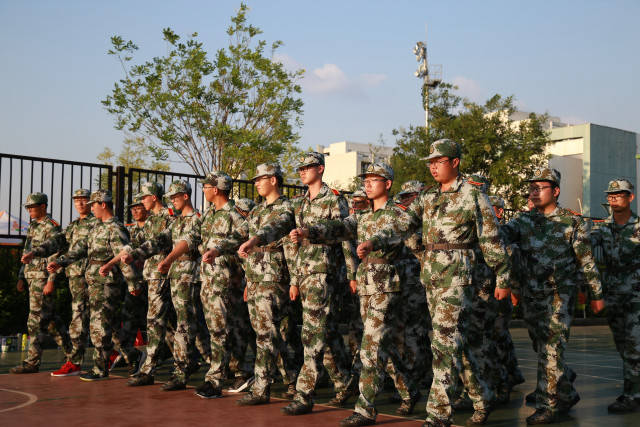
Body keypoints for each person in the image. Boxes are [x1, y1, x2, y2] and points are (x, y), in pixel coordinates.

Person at [357, 139, 512, 427]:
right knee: (455, 344)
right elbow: (402, 224)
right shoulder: (427, 197)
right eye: (430, 162)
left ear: (454, 162)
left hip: (458, 280)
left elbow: (491, 239)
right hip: (432, 279)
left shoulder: (472, 196)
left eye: (438, 161)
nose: (432, 167)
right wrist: (375, 240)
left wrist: (502, 275)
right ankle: (482, 396)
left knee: (443, 344)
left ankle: (438, 414)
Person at [288, 162, 418, 426]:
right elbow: (338, 227)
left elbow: (392, 233)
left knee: (370, 347)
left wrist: (373, 243)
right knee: (382, 345)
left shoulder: (398, 213)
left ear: (388, 184)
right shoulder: (362, 215)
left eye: (374, 179)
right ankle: (409, 390)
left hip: (387, 286)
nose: (367, 184)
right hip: (367, 284)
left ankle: (365, 409)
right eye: (365, 180)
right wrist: (309, 231)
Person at [237, 152, 357, 415]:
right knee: (324, 333)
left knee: (311, 334)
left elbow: (346, 233)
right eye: (300, 168)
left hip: (325, 274)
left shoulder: (335, 199)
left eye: (308, 167)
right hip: (304, 274)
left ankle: (304, 394)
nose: (303, 171)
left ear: (321, 169)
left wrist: (352, 274)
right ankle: (344, 380)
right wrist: (256, 240)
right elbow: (279, 225)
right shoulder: (299, 204)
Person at [502, 167, 605, 424]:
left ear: (555, 191)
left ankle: (549, 405)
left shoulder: (572, 222)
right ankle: (566, 390)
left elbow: (587, 261)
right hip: (531, 297)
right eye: (532, 188)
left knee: (550, 350)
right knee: (544, 350)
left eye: (540, 188)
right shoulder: (522, 222)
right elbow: (496, 237)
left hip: (560, 296)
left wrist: (596, 294)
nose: (534, 192)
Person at [206, 163, 297, 406]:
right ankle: (292, 380)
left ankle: (261, 388)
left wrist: (254, 240)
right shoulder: (256, 211)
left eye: (261, 178)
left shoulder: (285, 207)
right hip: (255, 277)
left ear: (275, 180)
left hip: (272, 276)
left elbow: (274, 227)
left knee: (267, 334)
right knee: (265, 334)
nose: (256, 182)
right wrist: (218, 248)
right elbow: (240, 234)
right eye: (255, 179)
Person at [48, 189, 144, 381]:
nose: (91, 208)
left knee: (99, 325)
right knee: (106, 324)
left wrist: (133, 283)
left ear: (103, 205)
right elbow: (80, 249)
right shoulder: (97, 228)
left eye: (93, 204)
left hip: (108, 283)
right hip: (94, 283)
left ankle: (101, 368)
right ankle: (132, 355)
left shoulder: (115, 228)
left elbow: (124, 257)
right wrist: (62, 261)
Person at [116, 180, 203, 391]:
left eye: (176, 196)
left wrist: (167, 260)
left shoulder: (195, 219)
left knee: (185, 325)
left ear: (186, 196)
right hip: (170, 274)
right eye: (171, 197)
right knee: (170, 324)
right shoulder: (175, 221)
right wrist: (134, 254)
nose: (172, 200)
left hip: (184, 275)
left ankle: (187, 368)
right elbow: (157, 241)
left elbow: (186, 243)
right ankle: (172, 367)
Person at [591, 178, 640, 413]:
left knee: (634, 346)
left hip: (637, 297)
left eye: (619, 194)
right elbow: (584, 245)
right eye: (611, 195)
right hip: (613, 296)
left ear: (630, 197)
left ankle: (633, 395)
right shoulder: (602, 228)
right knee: (623, 345)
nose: (613, 198)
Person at [11, 192, 72, 374]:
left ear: (43, 207)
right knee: (51, 321)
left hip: (43, 278)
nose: (29, 210)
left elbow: (56, 255)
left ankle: (32, 362)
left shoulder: (52, 228)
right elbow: (27, 252)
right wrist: (22, 276)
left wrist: (51, 281)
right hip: (32, 276)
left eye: (33, 207)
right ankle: (73, 353)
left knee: (35, 320)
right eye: (28, 207)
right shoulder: (33, 226)